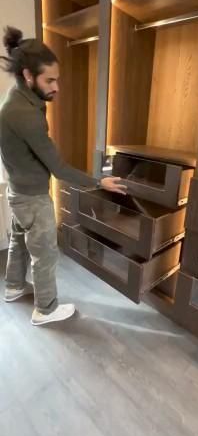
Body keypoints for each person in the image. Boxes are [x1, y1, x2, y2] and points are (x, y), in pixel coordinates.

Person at [0, 26, 126, 326]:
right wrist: (100, 181)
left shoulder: (14, 97)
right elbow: (59, 168)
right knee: (45, 253)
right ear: (29, 76)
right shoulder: (26, 115)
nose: (57, 87)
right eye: (50, 80)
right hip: (31, 197)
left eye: (57, 79)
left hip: (17, 192)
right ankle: (46, 309)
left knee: (19, 241)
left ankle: (13, 287)